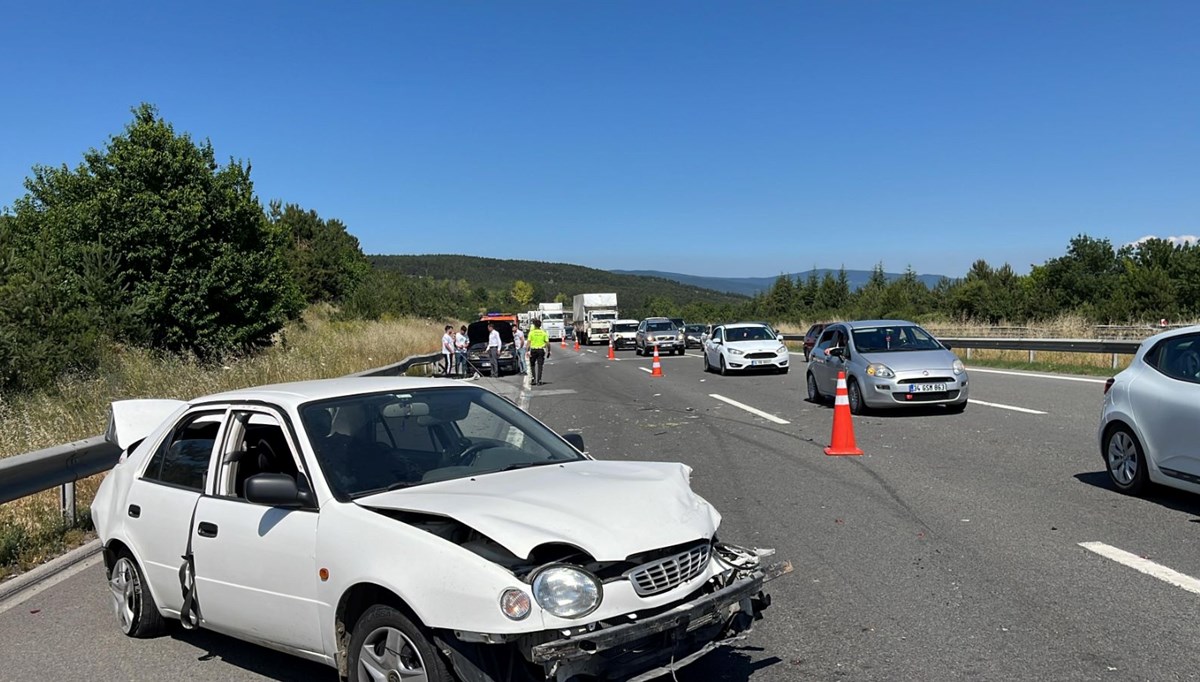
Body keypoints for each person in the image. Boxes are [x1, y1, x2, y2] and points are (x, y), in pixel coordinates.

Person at [527, 318, 551, 385]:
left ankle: (533, 379)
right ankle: (539, 380)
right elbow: (548, 343)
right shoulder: (543, 333)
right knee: (540, 365)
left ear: (534, 325)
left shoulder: (531, 333)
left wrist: (527, 351)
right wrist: (549, 351)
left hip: (533, 350)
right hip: (541, 350)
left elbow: (528, 342)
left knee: (532, 365)